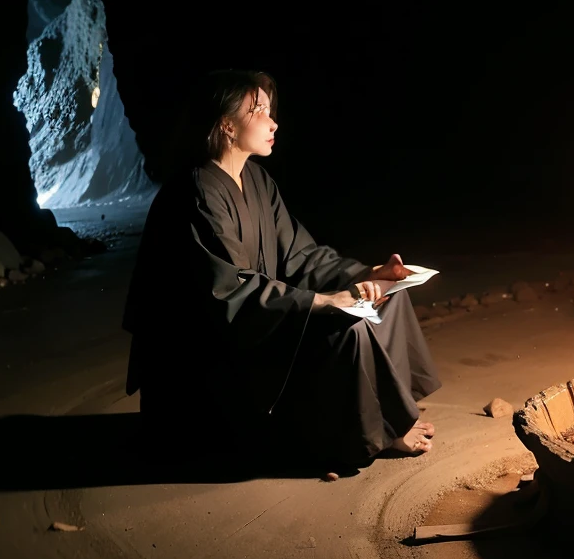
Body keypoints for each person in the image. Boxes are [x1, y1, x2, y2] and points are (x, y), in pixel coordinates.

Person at [123, 70, 441, 469]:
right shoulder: (197, 193)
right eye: (259, 112)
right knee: (351, 326)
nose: (273, 123)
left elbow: (301, 256)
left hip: (260, 316)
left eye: (271, 111)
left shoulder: (256, 179)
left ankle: (389, 420)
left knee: (386, 300)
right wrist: (321, 301)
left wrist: (369, 274)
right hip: (209, 351)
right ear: (227, 126)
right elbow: (229, 291)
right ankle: (374, 434)